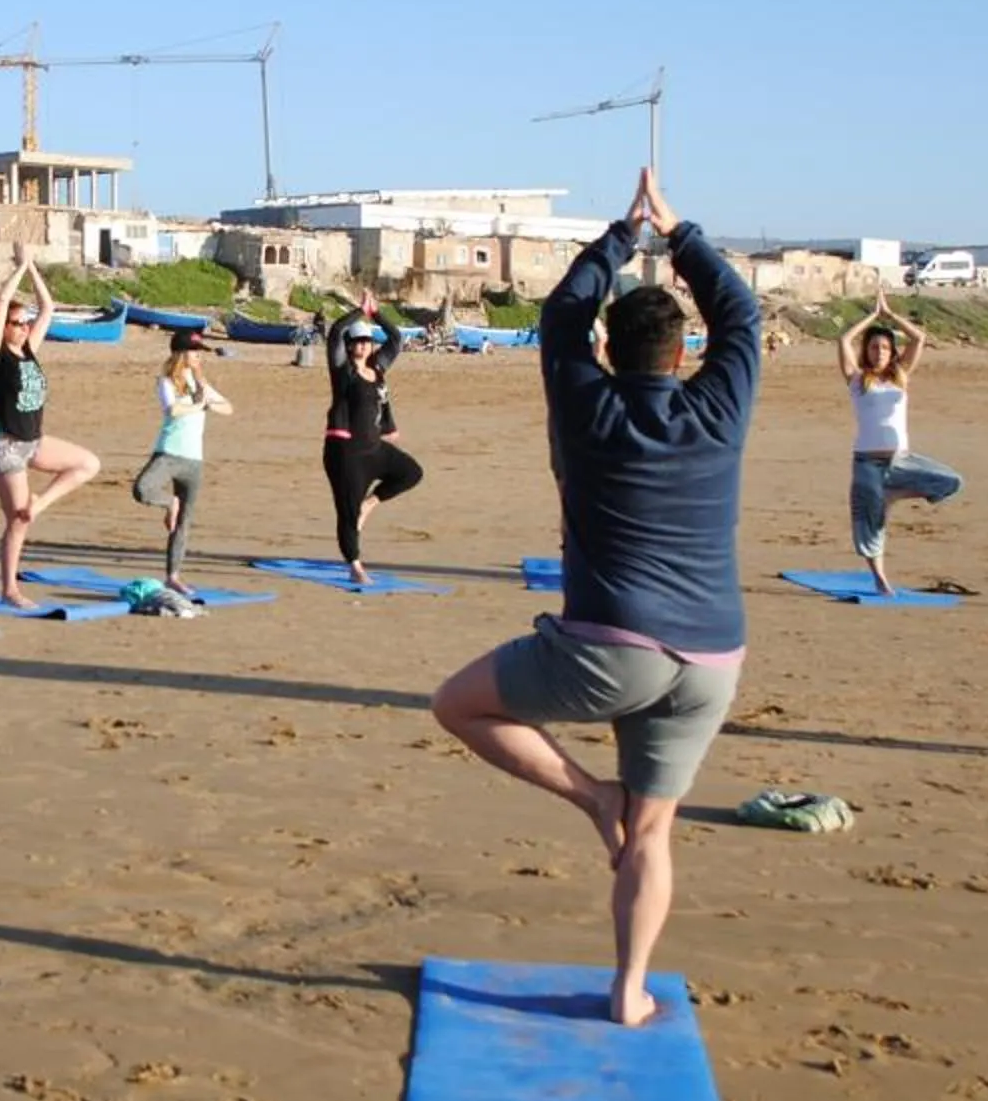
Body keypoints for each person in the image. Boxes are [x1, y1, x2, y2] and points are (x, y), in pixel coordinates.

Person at [430, 166, 759, 1028]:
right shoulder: (721, 407)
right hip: (715, 656)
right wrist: (678, 234)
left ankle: (590, 798)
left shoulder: (585, 403)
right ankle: (629, 988)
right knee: (656, 834)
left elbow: (562, 315)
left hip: (610, 649)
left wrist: (621, 236)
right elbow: (742, 316)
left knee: (458, 705)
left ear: (611, 350)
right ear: (682, 353)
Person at [0, 252, 101, 607]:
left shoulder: (29, 350)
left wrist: (32, 265)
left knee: (87, 464)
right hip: (3, 445)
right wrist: (16, 268)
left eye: (24, 322)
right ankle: (9, 590)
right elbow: (2, 302)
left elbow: (48, 307)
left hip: (33, 441)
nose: (24, 326)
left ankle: (39, 503)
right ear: (1, 329)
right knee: (17, 521)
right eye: (17, 323)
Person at [838, 293, 961, 595]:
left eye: (884, 347)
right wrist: (871, 316)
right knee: (870, 524)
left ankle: (893, 495)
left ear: (891, 351)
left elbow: (919, 337)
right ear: (866, 351)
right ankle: (879, 577)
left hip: (900, 460)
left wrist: (889, 316)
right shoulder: (856, 379)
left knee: (951, 481)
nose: (878, 351)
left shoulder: (900, 376)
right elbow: (843, 340)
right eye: (873, 347)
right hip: (867, 462)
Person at [322, 290, 422, 585]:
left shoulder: (378, 369)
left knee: (411, 473)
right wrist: (359, 310)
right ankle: (354, 565)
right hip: (345, 453)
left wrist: (376, 313)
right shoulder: (342, 371)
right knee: (347, 511)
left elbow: (396, 339)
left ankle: (370, 503)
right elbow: (336, 332)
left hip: (374, 449)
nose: (363, 347)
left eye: (367, 341)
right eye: (357, 342)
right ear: (350, 346)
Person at [131, 329, 231, 598]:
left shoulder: (202, 384)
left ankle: (173, 576)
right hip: (169, 452)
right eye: (194, 352)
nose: (198, 357)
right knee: (143, 489)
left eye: (199, 352)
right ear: (180, 353)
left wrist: (208, 402)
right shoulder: (166, 380)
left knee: (184, 523)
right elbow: (172, 410)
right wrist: (198, 406)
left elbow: (228, 407)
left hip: (193, 459)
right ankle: (169, 503)